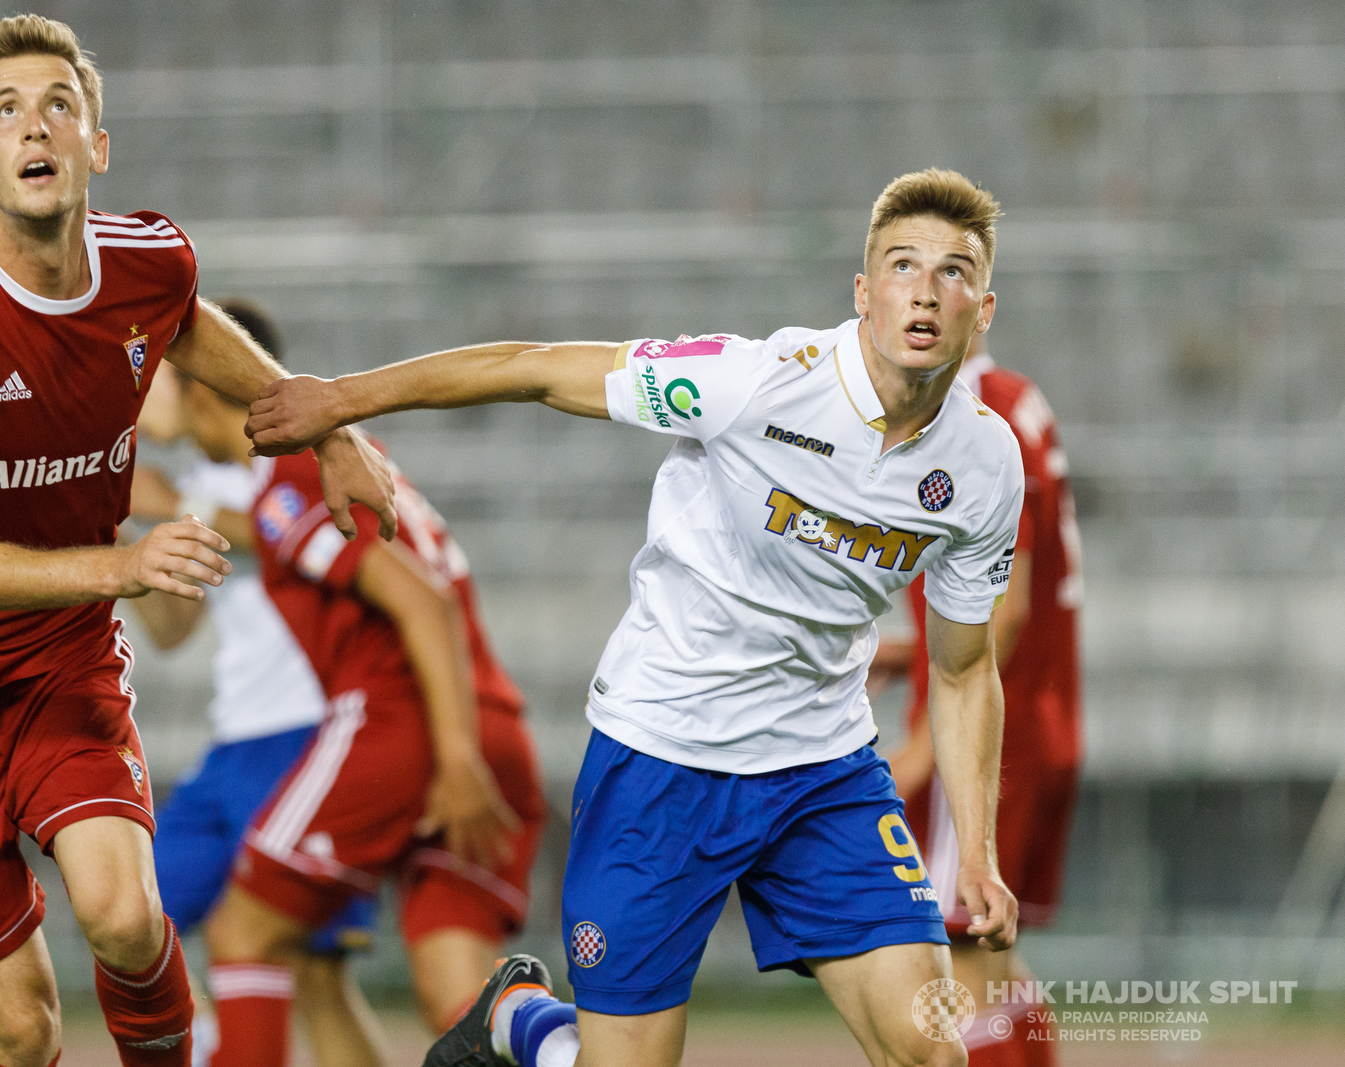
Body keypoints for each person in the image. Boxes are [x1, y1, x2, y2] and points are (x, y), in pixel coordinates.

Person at [246, 168, 1024, 1067]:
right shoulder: (753, 383)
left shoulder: (984, 465)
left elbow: (965, 667)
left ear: (984, 308)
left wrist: (976, 850)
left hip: (822, 768)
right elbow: (534, 370)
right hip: (663, 754)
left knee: (931, 1048)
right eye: (902, 264)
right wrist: (339, 401)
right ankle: (521, 1018)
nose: (926, 288)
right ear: (864, 293)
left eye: (954, 271)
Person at [0, 17, 394, 1067]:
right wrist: (123, 565)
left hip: (58, 663)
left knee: (127, 915)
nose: (34, 125)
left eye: (59, 104)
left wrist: (333, 427)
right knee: (23, 1021)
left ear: (97, 142)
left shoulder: (150, 260)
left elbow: (188, 320)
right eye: (5, 111)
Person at [199, 411, 549, 1067]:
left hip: (407, 721)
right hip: (489, 715)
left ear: (201, 388)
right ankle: (560, 1046)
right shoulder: (352, 462)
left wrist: (455, 755)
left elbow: (422, 600)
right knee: (459, 991)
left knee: (244, 931)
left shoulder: (293, 478)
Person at [128, 303, 387, 1067]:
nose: (142, 395)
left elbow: (299, 526)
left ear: (207, 380)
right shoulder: (205, 480)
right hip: (234, 743)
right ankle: (213, 1040)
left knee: (316, 977)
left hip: (312, 736)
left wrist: (172, 509)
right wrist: (116, 543)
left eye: (160, 378)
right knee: (135, 917)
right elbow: (174, 632)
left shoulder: (309, 459)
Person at [871, 334, 1083, 1067]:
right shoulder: (1018, 397)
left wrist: (932, 747)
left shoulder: (973, 416)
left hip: (988, 738)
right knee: (997, 965)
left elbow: (1007, 607)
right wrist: (906, 650)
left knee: (951, 974)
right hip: (1041, 721)